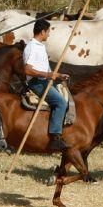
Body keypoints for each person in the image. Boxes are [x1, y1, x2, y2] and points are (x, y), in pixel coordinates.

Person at [23, 19, 71, 151]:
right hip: (36, 83)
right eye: (48, 31)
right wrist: (47, 75)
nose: (49, 34)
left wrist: (59, 75)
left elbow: (46, 69)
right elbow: (28, 70)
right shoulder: (31, 47)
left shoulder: (40, 46)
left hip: (45, 80)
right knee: (61, 102)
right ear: (42, 31)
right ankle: (55, 138)